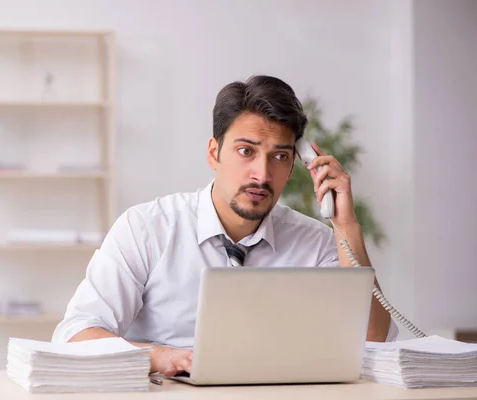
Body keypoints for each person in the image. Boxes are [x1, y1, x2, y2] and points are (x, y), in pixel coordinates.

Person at [51, 75, 398, 377]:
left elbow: (372, 341)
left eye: (279, 157)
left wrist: (346, 226)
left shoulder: (317, 241)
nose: (262, 175)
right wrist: (157, 356)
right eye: (246, 151)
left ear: (296, 165)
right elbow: (75, 333)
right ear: (214, 153)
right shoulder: (147, 228)